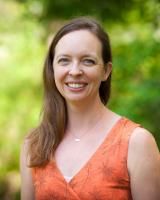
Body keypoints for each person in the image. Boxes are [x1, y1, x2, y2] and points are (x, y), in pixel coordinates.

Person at [20, 17, 160, 200]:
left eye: (88, 61)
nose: (75, 71)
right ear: (52, 68)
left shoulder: (137, 143)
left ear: (106, 71)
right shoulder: (34, 145)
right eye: (64, 60)